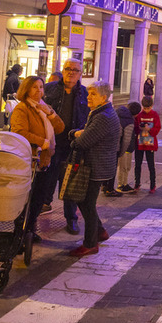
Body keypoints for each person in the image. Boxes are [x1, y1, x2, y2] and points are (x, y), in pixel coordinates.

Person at [67, 80, 121, 257]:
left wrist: (74, 136)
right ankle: (99, 231)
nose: (88, 97)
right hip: (98, 165)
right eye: (89, 93)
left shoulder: (103, 117)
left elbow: (83, 142)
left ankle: (90, 244)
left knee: (86, 203)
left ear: (104, 97)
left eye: (93, 94)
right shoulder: (100, 112)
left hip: (96, 167)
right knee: (85, 202)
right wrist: (79, 133)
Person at [11, 75, 65, 240]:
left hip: (45, 160)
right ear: (26, 89)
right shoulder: (22, 108)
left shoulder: (44, 107)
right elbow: (19, 132)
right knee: (27, 198)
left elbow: (60, 128)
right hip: (30, 160)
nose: (39, 90)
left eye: (41, 87)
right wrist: (42, 142)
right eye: (34, 87)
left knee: (39, 197)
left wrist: (50, 113)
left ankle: (30, 230)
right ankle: (21, 232)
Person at [43, 59, 89, 235]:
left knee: (69, 183)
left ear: (80, 73)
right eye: (67, 69)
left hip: (73, 146)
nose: (71, 73)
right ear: (62, 70)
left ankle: (71, 219)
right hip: (51, 143)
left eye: (75, 70)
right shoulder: (50, 89)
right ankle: (38, 212)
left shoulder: (84, 93)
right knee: (46, 179)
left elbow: (87, 118)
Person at [134, 95, 161, 193]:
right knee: (138, 164)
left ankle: (152, 185)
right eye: (144, 108)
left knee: (151, 165)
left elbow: (157, 128)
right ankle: (137, 183)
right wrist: (139, 128)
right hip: (140, 143)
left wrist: (150, 129)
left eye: (148, 108)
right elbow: (136, 128)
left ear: (152, 106)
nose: (146, 110)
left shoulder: (155, 115)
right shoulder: (140, 115)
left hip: (150, 144)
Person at [114, 101, 142, 193]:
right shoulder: (129, 120)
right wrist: (123, 150)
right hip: (125, 148)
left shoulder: (120, 115)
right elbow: (127, 138)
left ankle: (123, 184)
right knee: (124, 167)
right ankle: (121, 184)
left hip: (121, 146)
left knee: (124, 166)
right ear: (136, 113)